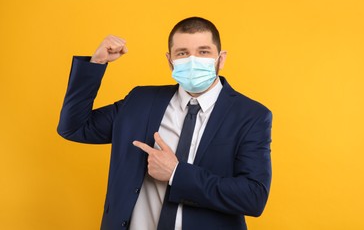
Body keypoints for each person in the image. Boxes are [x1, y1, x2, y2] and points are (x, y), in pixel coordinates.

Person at [57, 17, 272, 230]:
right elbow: (74, 127)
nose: (193, 60)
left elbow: (253, 197)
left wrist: (177, 174)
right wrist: (96, 64)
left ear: (221, 59)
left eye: (203, 52)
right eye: (183, 53)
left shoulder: (251, 116)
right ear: (170, 61)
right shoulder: (140, 101)